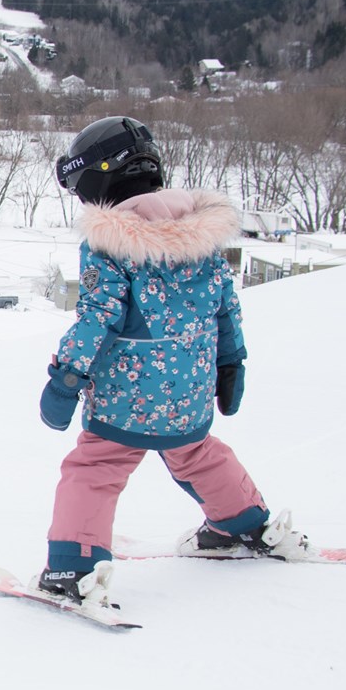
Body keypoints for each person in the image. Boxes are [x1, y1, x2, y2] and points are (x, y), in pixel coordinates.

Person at [33, 115, 308, 608]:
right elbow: (225, 307)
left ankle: (72, 570)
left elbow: (98, 319)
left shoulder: (108, 243)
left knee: (95, 468)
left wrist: (67, 377)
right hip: (190, 393)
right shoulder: (199, 235)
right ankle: (243, 524)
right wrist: (231, 363)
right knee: (198, 453)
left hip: (124, 398)